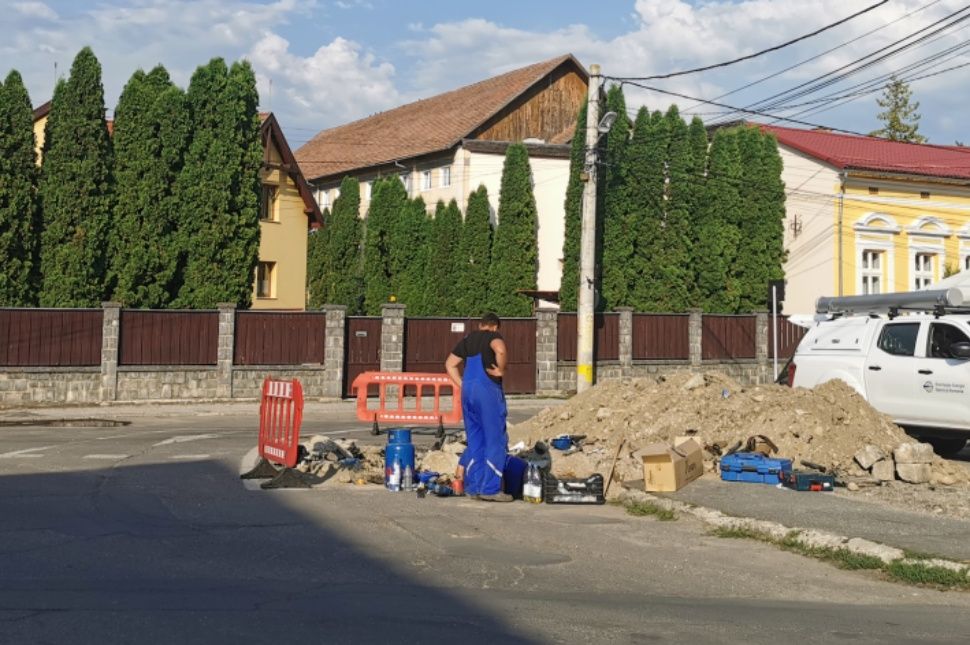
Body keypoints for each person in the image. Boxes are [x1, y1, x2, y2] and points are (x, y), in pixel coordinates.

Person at [445, 313, 511, 502]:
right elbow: (500, 349)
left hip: (468, 393)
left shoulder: (467, 340)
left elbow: (450, 364)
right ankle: (490, 489)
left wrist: (463, 384)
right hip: (487, 392)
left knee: (475, 440)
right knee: (495, 439)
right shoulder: (493, 337)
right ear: (495, 326)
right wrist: (501, 369)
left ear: (481, 324)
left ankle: (474, 487)